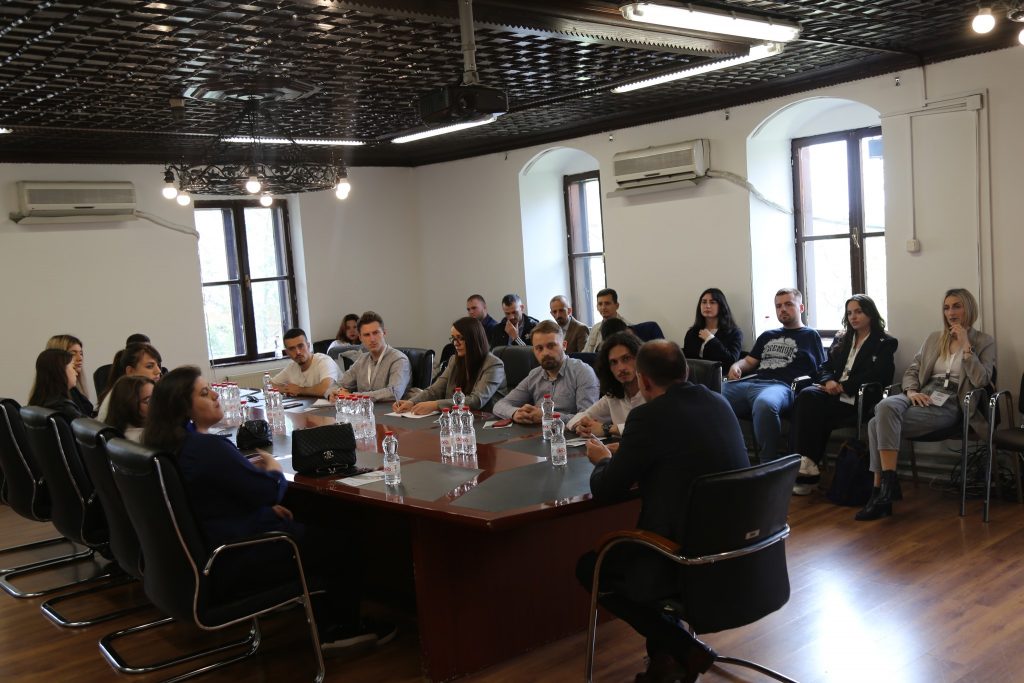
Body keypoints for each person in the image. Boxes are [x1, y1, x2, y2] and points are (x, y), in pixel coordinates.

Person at [143, 367, 394, 651]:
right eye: (204, 393)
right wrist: (274, 470)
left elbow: (211, 499)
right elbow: (268, 491)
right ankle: (341, 629)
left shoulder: (174, 447)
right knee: (343, 543)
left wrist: (259, 505)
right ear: (183, 408)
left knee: (316, 524)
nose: (215, 395)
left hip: (211, 559)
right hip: (239, 558)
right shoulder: (206, 449)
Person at [577, 341, 748, 683]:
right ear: (686, 371)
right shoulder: (719, 403)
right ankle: (666, 663)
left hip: (684, 558)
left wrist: (605, 460)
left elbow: (607, 488)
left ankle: (683, 648)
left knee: (590, 567)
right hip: (741, 551)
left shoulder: (647, 416)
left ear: (643, 381)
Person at [857, 288, 995, 521]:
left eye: (957, 306)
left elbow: (982, 380)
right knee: (884, 406)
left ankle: (880, 492)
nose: (951, 312)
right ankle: (887, 488)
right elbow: (913, 370)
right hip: (921, 393)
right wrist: (911, 391)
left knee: (874, 424)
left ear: (969, 308)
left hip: (951, 401)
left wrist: (966, 346)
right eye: (946, 307)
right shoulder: (934, 338)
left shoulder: (984, 341)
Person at [789, 295, 897, 495]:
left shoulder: (884, 342)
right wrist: (829, 381)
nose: (853, 317)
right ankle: (806, 464)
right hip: (833, 393)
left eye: (858, 312)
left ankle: (806, 467)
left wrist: (842, 386)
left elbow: (879, 375)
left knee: (813, 409)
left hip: (859, 397)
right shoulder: (843, 338)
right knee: (806, 395)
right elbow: (825, 366)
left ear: (870, 314)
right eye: (849, 313)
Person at [722, 288, 825, 463]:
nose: (782, 309)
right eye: (778, 306)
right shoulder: (768, 335)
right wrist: (736, 365)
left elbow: (820, 369)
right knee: (712, 395)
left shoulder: (810, 335)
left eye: (788, 304)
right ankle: (726, 457)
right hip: (752, 382)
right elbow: (749, 361)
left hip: (781, 386)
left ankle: (768, 464)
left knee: (765, 404)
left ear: (801, 308)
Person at [492, 320, 599, 426]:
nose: (545, 353)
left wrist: (548, 416)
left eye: (551, 346)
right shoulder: (534, 375)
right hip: (537, 433)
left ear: (564, 345)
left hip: (569, 434)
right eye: (539, 348)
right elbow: (500, 405)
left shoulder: (583, 372)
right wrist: (515, 413)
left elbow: (587, 419)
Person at [393, 317, 505, 414]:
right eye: (453, 338)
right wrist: (412, 402)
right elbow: (435, 390)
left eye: (460, 338)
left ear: (474, 339)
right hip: (458, 418)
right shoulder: (454, 360)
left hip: (486, 421)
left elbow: (476, 401)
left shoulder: (494, 365)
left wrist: (436, 405)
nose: (455, 343)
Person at [567, 332, 644, 443]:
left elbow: (652, 427)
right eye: (614, 362)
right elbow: (581, 417)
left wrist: (608, 429)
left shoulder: (655, 390)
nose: (621, 368)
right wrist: (581, 426)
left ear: (639, 358)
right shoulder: (613, 395)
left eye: (626, 358)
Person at [328, 311, 411, 402]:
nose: (372, 339)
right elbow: (338, 384)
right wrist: (334, 393)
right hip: (363, 410)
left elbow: (394, 393)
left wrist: (353, 396)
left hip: (389, 410)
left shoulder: (398, 359)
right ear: (360, 337)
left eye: (375, 333)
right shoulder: (362, 360)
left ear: (384, 333)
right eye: (367, 335)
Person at [97, 342, 163, 421]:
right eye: (149, 366)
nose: (158, 371)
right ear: (130, 371)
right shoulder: (125, 398)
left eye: (158, 365)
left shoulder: (127, 391)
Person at [681, 288, 743, 366]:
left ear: (721, 306)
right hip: (693, 373)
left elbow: (731, 360)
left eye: (712, 302)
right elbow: (687, 360)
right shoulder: (692, 332)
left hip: (721, 373)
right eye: (704, 302)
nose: (707, 306)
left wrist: (711, 339)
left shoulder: (735, 333)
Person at [272, 328, 340, 398]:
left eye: (300, 346)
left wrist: (299, 390)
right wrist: (287, 389)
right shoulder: (292, 367)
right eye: (292, 349)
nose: (298, 352)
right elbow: (270, 385)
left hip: (338, 403)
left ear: (308, 345)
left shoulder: (324, 361)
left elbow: (324, 389)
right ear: (287, 352)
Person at [28, 348, 85, 421]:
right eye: (73, 367)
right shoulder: (65, 408)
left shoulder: (37, 402)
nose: (76, 373)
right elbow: (89, 427)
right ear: (60, 372)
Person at [46, 334, 94, 417]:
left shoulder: (72, 389)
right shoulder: (61, 403)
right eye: (73, 354)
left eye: (81, 353)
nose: (80, 358)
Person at [103, 375, 155, 442]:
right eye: (149, 400)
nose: (157, 403)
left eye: (156, 397)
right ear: (129, 405)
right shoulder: (144, 437)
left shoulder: (113, 429)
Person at [582, 288, 629, 353]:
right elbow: (585, 353)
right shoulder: (595, 328)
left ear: (617, 306)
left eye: (607, 303)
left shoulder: (627, 327)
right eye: (600, 304)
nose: (603, 307)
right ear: (597, 307)